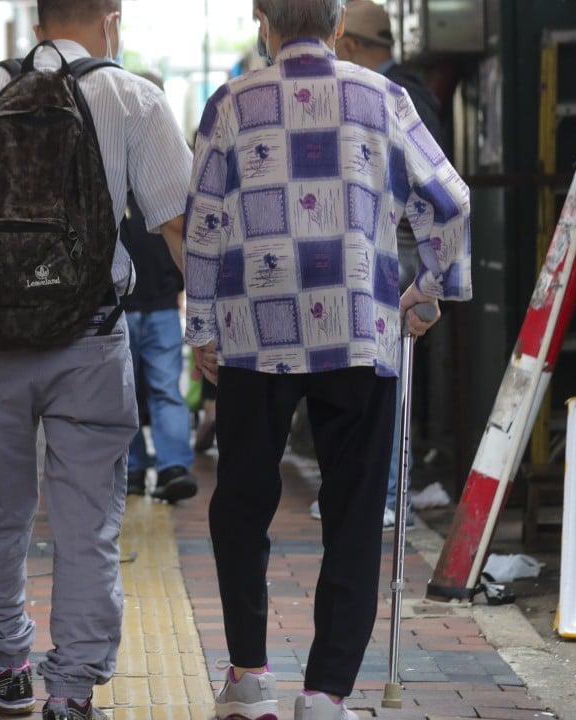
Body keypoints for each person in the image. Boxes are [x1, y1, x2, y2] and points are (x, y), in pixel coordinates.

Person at [0, 3, 193, 720]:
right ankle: (71, 688)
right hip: (90, 339)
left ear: (36, 22)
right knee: (87, 521)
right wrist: (212, 328)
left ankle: (5, 663)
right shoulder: (134, 98)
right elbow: (180, 225)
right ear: (112, 20)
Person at [184, 3, 471, 720]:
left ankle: (250, 678)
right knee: (353, 512)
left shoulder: (231, 103)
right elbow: (450, 200)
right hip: (359, 332)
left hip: (255, 335)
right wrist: (428, 289)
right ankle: (326, 692)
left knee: (241, 503)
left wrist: (202, 329)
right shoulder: (383, 98)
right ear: (339, 23)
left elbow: (205, 223)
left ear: (261, 20)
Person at [321, 0, 455, 529]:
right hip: (400, 252)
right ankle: (381, 491)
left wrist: (429, 281)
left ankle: (389, 493)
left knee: (380, 374)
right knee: (380, 372)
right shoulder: (410, 91)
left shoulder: (385, 95)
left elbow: (438, 193)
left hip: (390, 252)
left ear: (351, 44)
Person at [119, 75, 197, 501]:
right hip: (141, 305)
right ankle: (158, 467)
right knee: (152, 390)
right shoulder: (171, 166)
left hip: (150, 304)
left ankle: (163, 467)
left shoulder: (117, 161)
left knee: (134, 392)